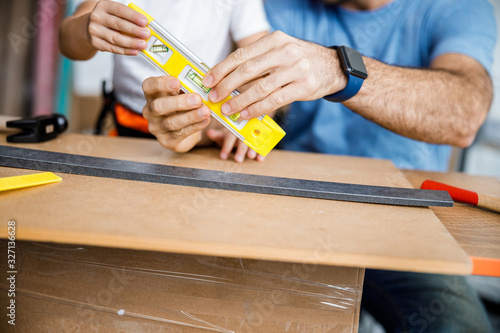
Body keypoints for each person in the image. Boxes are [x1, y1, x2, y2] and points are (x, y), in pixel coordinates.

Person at [141, 0, 496, 331]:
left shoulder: (458, 7)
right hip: (286, 217)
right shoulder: (279, 8)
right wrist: (195, 130)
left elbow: (464, 114)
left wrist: (340, 70)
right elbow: (250, 107)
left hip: (401, 225)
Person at [59, 0, 270, 162]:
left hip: (203, 132)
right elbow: (67, 41)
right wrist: (86, 28)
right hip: (125, 130)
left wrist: (251, 116)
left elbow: (260, 63)